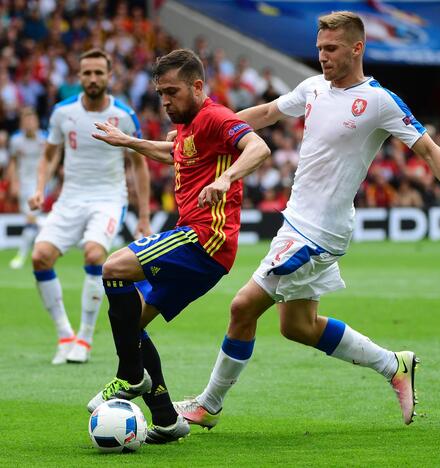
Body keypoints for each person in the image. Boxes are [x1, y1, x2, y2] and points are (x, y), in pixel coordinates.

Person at [173, 11, 440, 429]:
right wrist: (202, 130)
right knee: (298, 327)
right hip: (297, 222)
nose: (322, 56)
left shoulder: (380, 101)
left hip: (318, 232)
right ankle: (393, 364)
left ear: (357, 48)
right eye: (319, 48)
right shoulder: (313, 87)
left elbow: (430, 150)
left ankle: (208, 405)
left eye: (332, 49)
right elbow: (268, 112)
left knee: (242, 306)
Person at [86, 49, 271, 443]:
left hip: (205, 238)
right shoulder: (189, 126)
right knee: (132, 324)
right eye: (161, 94)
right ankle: (168, 421)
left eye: (172, 92)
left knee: (114, 268)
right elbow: (173, 153)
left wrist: (225, 179)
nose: (166, 101)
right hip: (202, 247)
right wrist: (127, 141)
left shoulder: (215, 117)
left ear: (198, 86)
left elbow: (258, 148)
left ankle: (131, 376)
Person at [29, 48, 151, 365]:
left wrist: (145, 216)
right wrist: (40, 189)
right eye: (87, 73)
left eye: (99, 72)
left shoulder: (124, 115)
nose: (93, 78)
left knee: (95, 254)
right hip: (70, 197)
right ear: (79, 76)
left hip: (109, 198)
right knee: (40, 257)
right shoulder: (62, 112)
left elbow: (139, 165)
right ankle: (64, 335)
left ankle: (84, 337)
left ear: (110, 76)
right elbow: (48, 154)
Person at [7, 108, 48, 269]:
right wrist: (13, 182)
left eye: (32, 120)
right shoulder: (16, 140)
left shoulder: (44, 139)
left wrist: (45, 183)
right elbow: (13, 162)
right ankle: (45, 227)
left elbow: (50, 161)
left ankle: (21, 255)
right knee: (30, 220)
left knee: (31, 218)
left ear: (37, 122)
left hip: (39, 184)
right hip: (23, 184)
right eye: (26, 121)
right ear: (22, 123)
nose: (29, 124)